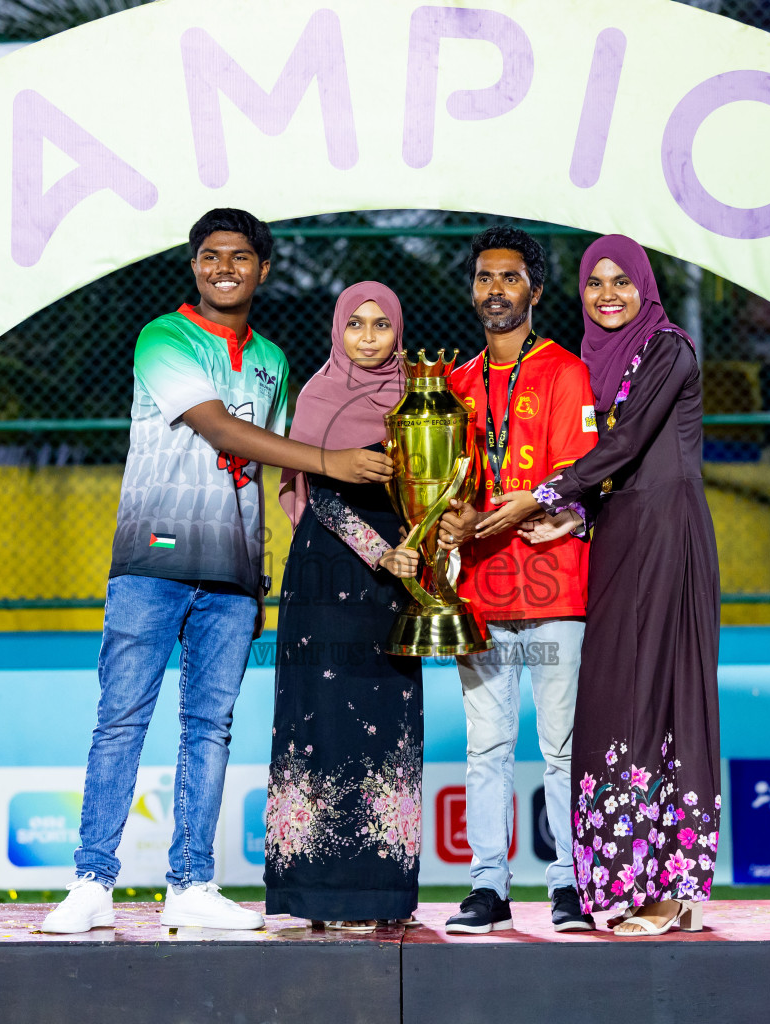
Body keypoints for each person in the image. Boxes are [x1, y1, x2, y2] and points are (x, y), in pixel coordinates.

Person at [42, 209, 394, 934]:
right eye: (209, 255)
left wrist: (266, 561)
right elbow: (223, 429)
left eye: (239, 256)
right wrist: (331, 463)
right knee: (121, 719)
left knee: (210, 727)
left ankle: (192, 883)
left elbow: (259, 469)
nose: (224, 266)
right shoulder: (163, 337)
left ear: (263, 269)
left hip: (233, 572)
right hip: (152, 559)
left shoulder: (272, 359)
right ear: (194, 265)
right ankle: (91, 880)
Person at [476, 234, 722, 936]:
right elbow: (609, 468)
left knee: (663, 696)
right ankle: (631, 876)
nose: (608, 293)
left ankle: (671, 888)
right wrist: (578, 513)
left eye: (622, 280)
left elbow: (623, 444)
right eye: (595, 282)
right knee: (616, 704)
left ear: (645, 285)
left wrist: (540, 496)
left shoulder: (669, 348)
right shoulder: (595, 361)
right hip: (617, 534)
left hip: (666, 535)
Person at [435, 227, 599, 934]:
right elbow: (441, 484)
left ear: (534, 289)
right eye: (483, 278)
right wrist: (445, 519)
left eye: (509, 278)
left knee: (561, 744)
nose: (494, 290)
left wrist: (492, 515)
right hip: (480, 589)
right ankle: (488, 889)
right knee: (487, 746)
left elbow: (573, 479)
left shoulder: (566, 372)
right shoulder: (454, 384)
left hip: (556, 583)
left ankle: (569, 884)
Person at [264, 282, 426, 930]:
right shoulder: (318, 394)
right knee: (321, 726)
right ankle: (318, 896)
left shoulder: (419, 398)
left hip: (395, 580)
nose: (366, 336)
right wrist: (381, 551)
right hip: (327, 578)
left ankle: (383, 897)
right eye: (354, 324)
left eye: (380, 324)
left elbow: (433, 491)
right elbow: (321, 497)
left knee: (390, 726)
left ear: (398, 330)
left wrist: (418, 551)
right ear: (338, 329)